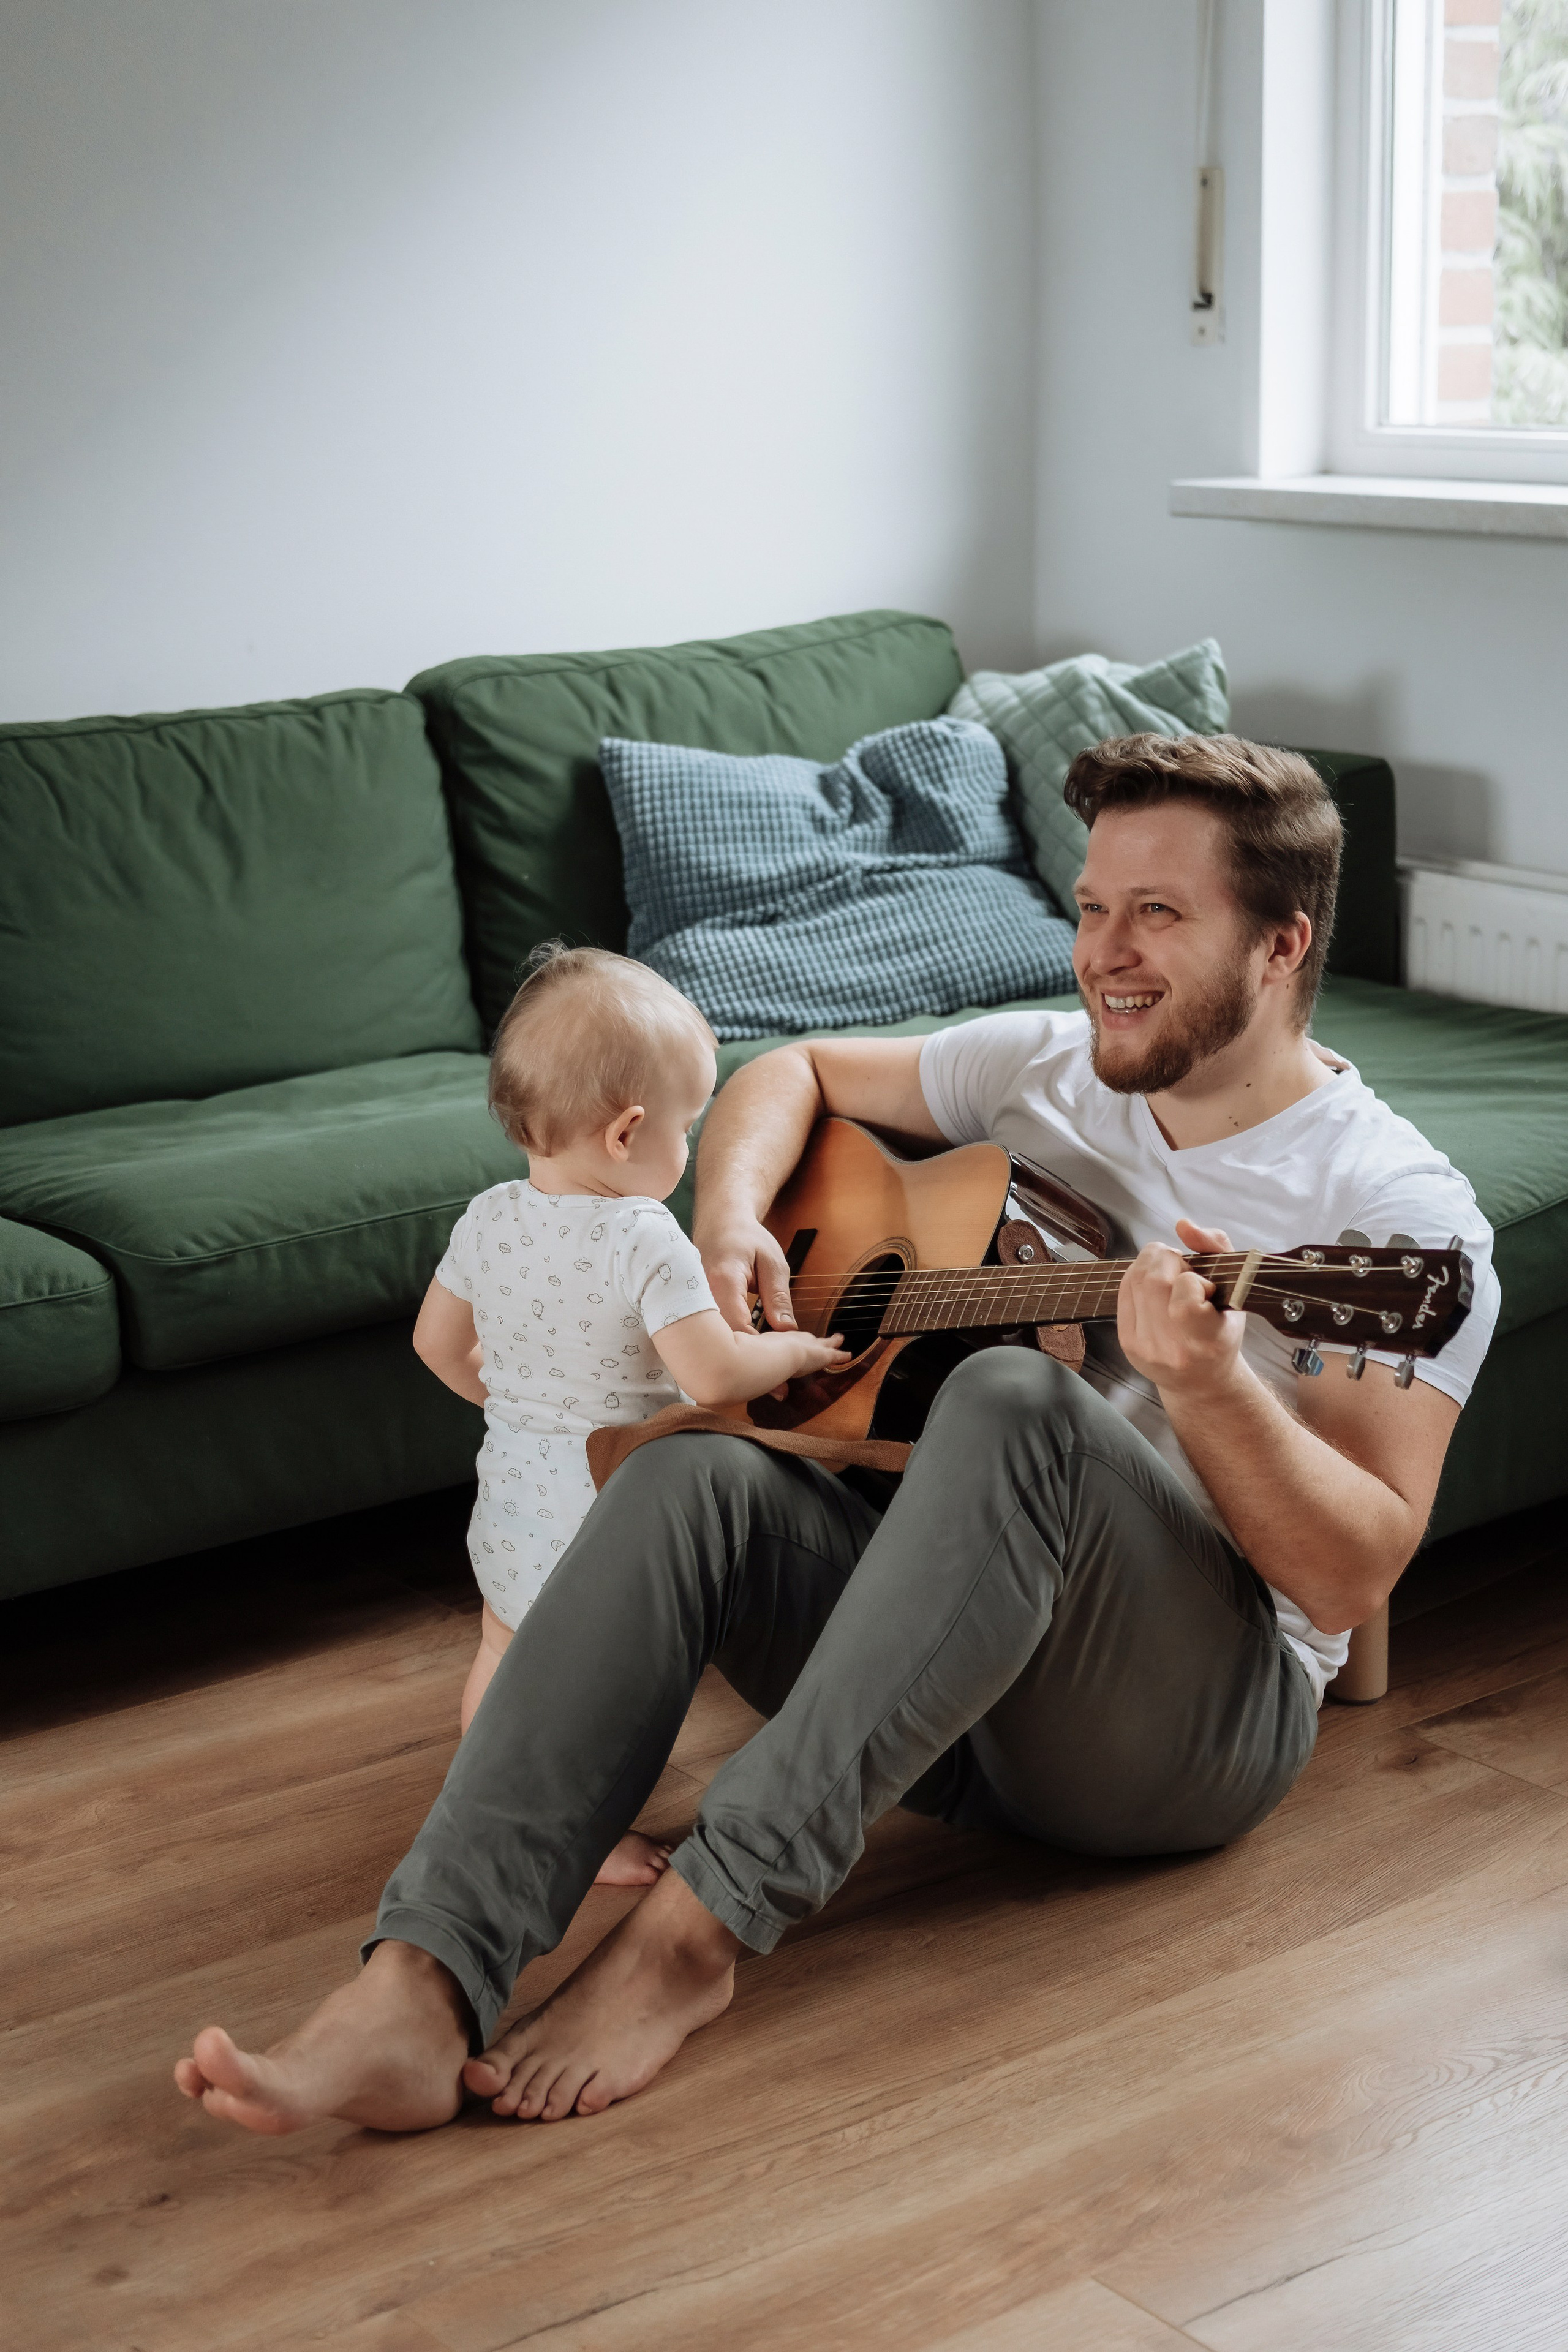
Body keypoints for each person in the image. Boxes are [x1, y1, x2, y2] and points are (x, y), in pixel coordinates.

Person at [175, 731, 1499, 2138]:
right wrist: (729, 1219)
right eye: (1091, 906)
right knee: (689, 1468)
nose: (1102, 953)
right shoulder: (1044, 1064)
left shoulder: (1392, 1215)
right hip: (943, 1693)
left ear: (1280, 944)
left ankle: (691, 1938)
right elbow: (791, 1070)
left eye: (1157, 913)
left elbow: (1350, 1577)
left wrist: (1211, 1389)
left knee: (1013, 1401)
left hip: (1176, 1736)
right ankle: (420, 1980)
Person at [410, 942, 846, 1886]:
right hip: (608, 1518)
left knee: (503, 1648)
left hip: (510, 1502)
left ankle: (481, 1804)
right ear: (627, 1133)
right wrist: (798, 1352)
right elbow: (716, 1373)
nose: (688, 1150)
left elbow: (437, 1346)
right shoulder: (643, 1238)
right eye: (688, 1127)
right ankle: (582, 1834)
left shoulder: (488, 1218)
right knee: (600, 1697)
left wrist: (525, 1405)